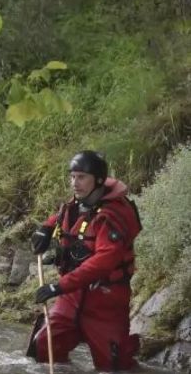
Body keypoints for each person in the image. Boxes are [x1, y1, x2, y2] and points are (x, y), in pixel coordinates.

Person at [29, 150, 141, 371]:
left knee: (114, 367)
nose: (74, 183)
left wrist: (58, 286)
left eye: (81, 177)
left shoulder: (112, 215)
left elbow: (103, 262)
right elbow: (64, 213)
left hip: (105, 301)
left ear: (98, 180)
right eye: (72, 176)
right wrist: (46, 227)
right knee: (42, 346)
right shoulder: (81, 201)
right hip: (71, 297)